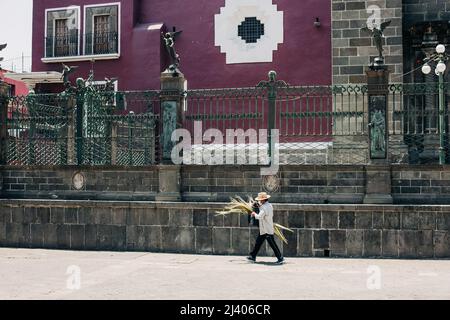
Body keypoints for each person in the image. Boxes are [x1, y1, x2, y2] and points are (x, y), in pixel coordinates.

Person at [247, 192, 284, 264]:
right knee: (258, 242)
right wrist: (258, 206)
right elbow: (263, 210)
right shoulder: (269, 205)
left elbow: (259, 216)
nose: (259, 201)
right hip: (265, 229)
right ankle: (253, 256)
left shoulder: (264, 207)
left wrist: (254, 214)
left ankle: (280, 257)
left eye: (260, 200)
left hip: (266, 229)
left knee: (272, 244)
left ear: (263, 200)